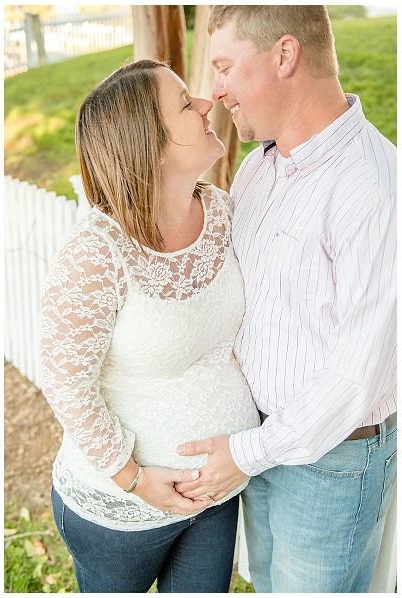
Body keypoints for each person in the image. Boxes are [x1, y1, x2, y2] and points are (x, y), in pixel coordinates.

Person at [174, 6, 397, 592]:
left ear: (285, 55)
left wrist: (249, 452)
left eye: (224, 66)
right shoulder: (257, 169)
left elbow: (355, 375)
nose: (215, 91)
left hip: (330, 463)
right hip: (260, 447)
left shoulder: (372, 185)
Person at [39, 58, 260, 593]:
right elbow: (64, 380)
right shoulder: (97, 253)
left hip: (215, 495)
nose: (207, 105)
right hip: (120, 514)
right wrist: (131, 478)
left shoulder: (223, 213)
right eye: (186, 104)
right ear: (150, 143)